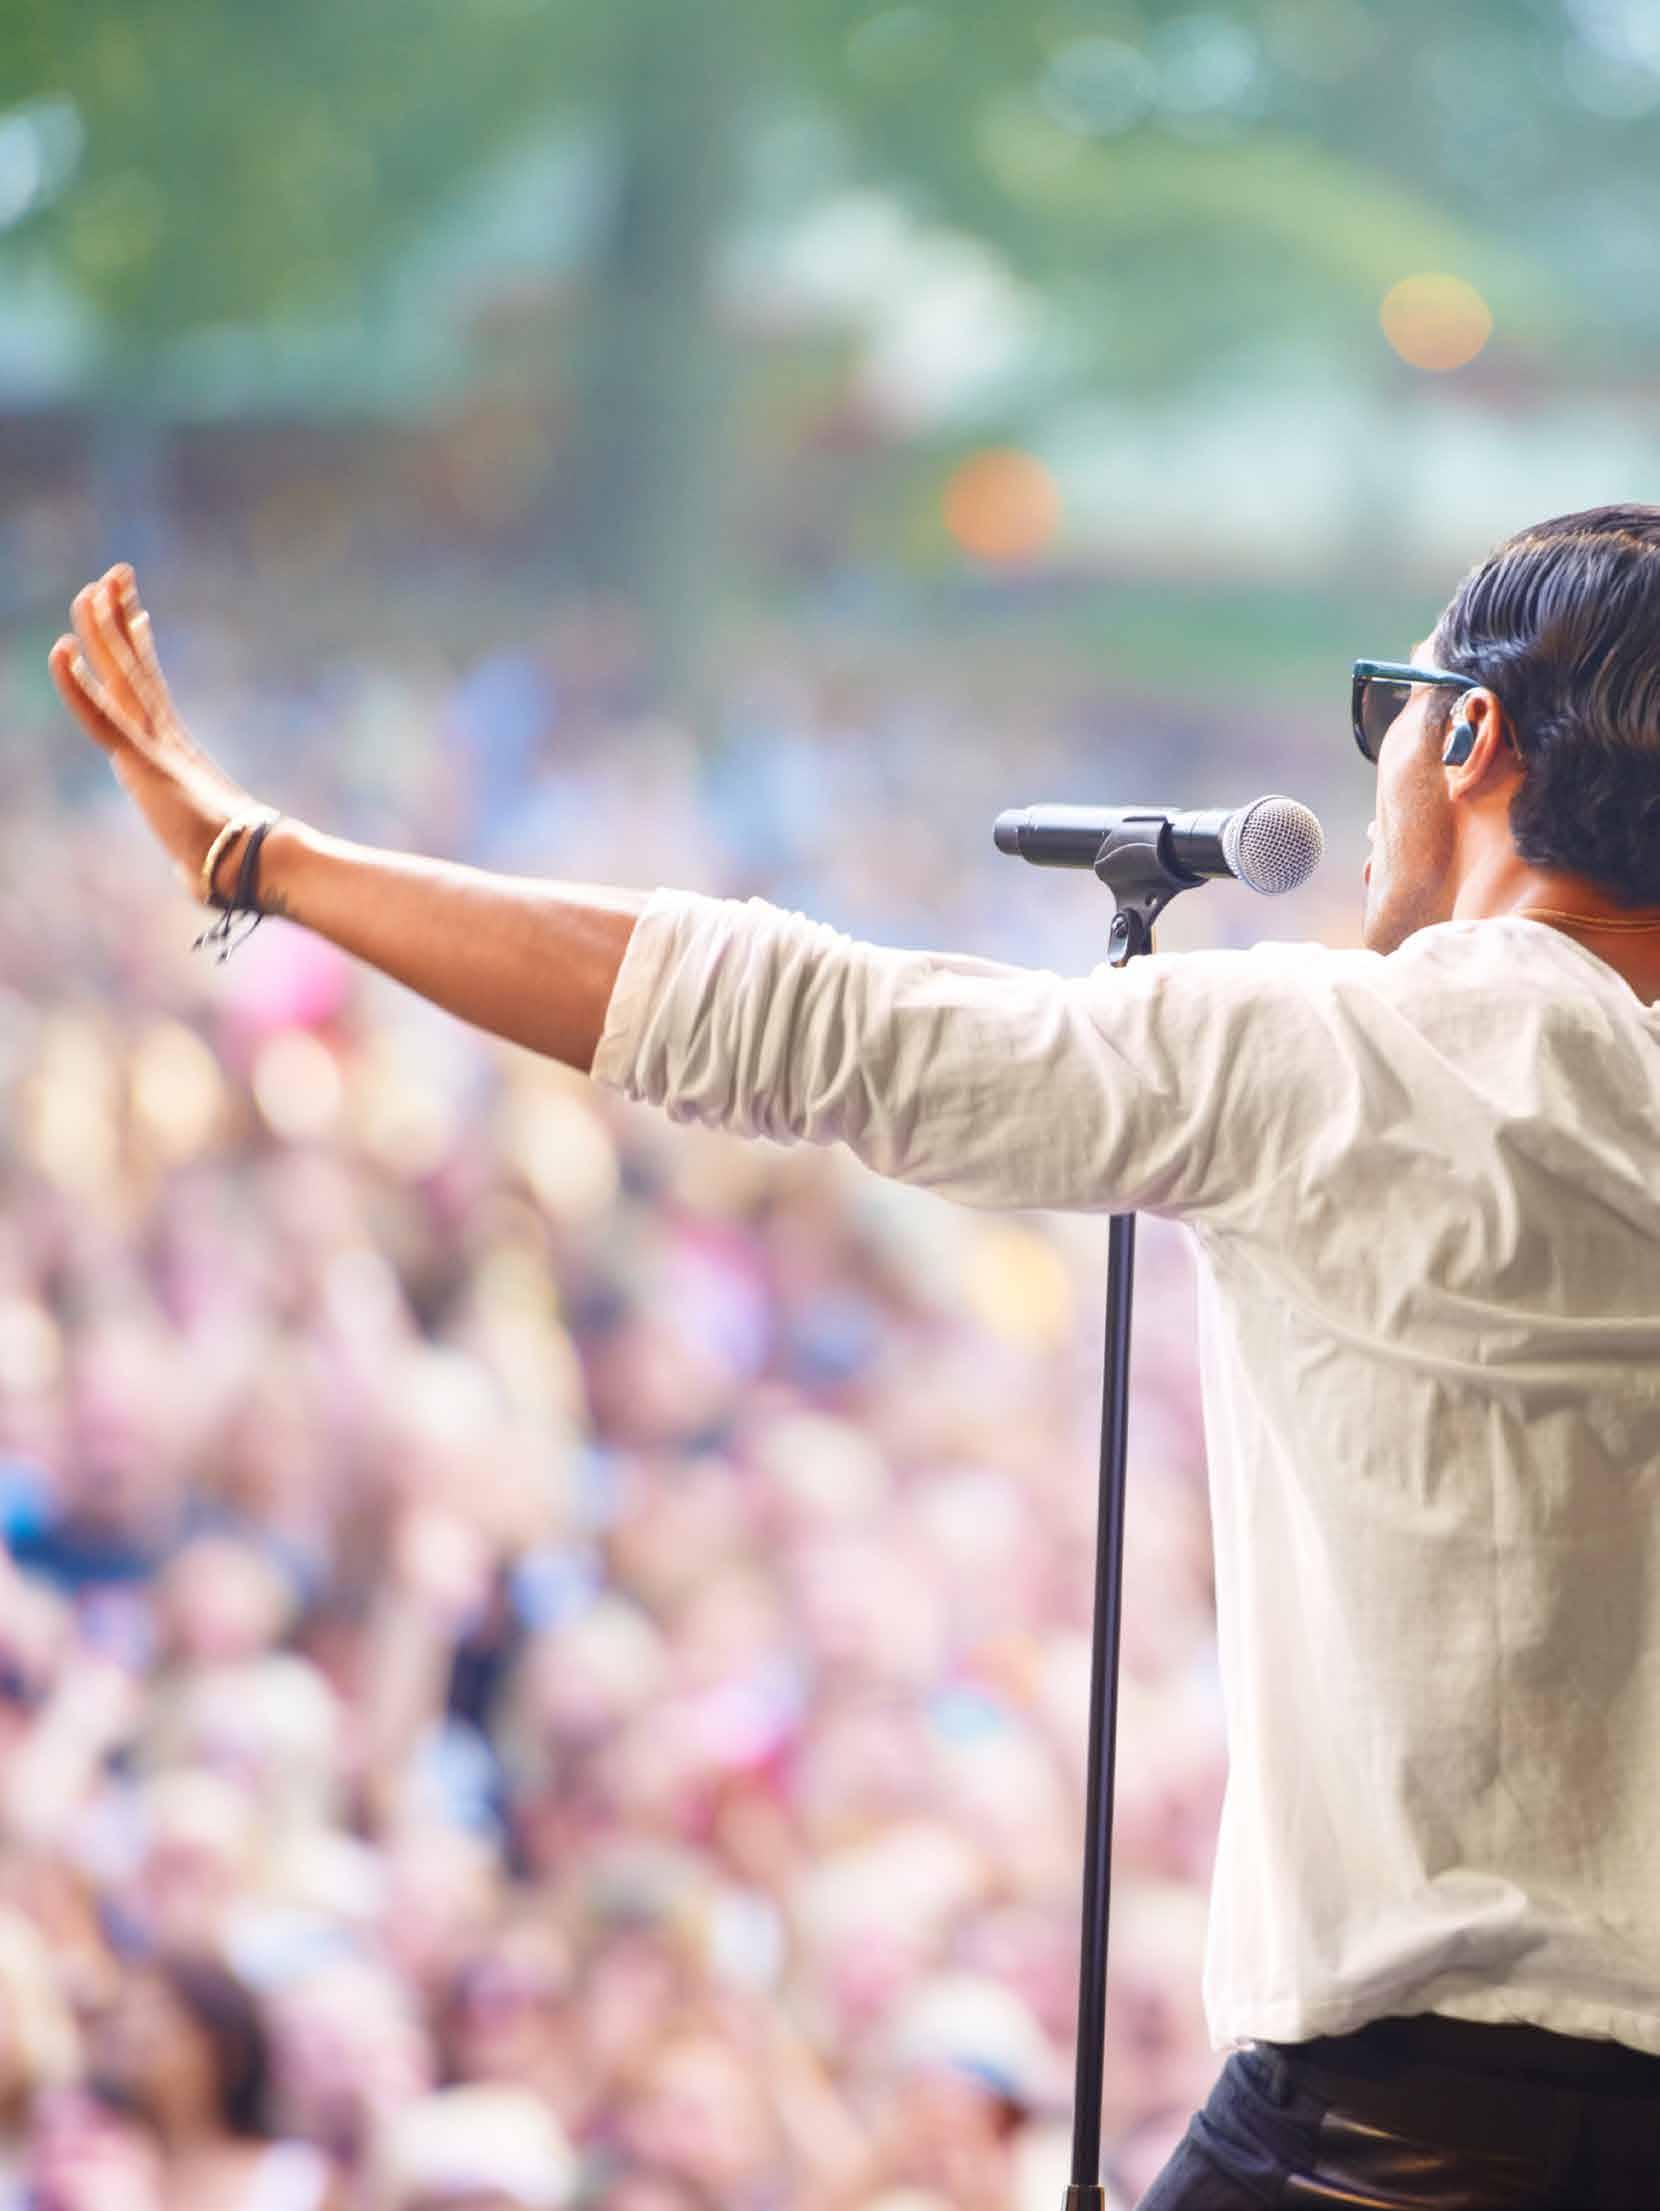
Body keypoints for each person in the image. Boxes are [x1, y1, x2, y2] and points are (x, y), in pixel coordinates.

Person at [47, 503, 1660, 2207]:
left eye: (1388, 710)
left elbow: (790, 1019)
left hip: (1388, 2132)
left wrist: (270, 859)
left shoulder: (1339, 1053)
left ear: (1470, 736)